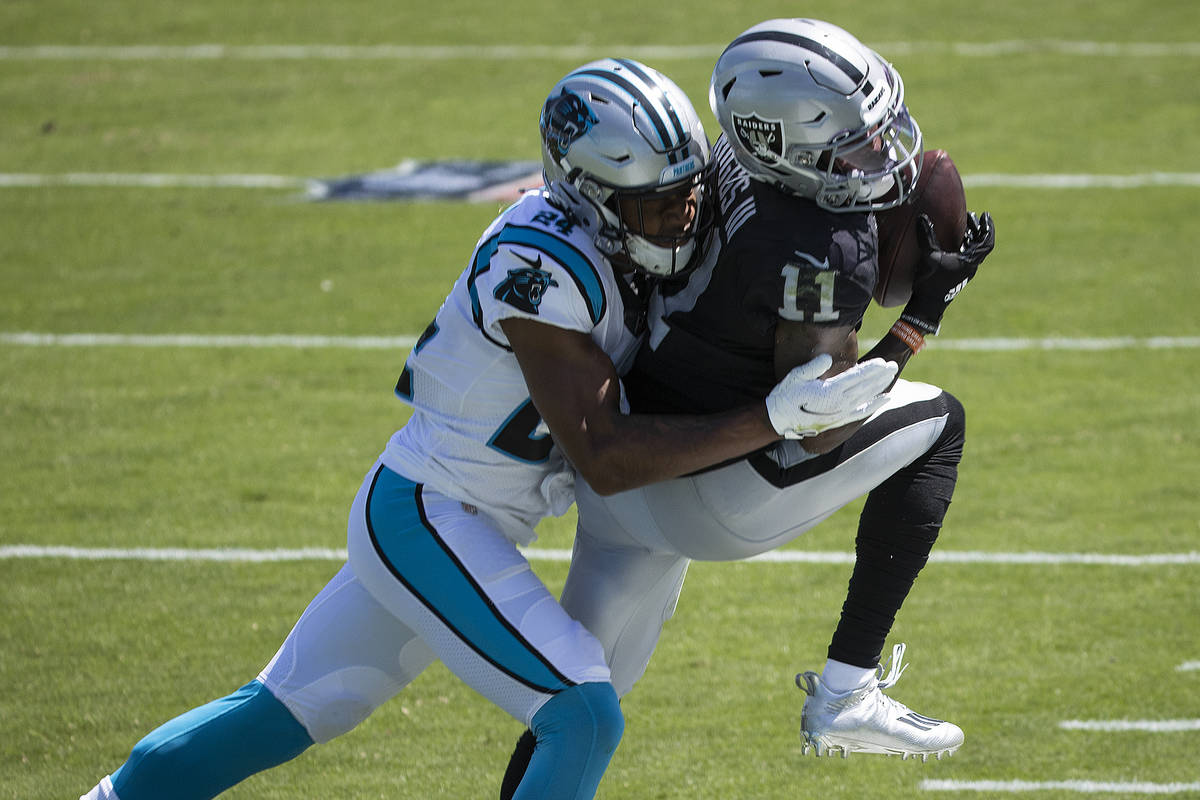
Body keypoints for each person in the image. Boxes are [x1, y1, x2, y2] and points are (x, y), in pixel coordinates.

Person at [80, 57, 899, 800]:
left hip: (476, 518)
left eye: (689, 194)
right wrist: (770, 417)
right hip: (430, 511)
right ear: (592, 198)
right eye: (655, 207)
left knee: (284, 712)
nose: (682, 221)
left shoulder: (632, 239)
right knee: (581, 712)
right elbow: (607, 456)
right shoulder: (537, 264)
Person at [500, 18, 997, 791]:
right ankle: (847, 690)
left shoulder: (718, 159)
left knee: (571, 713)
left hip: (628, 467)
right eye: (856, 144)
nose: (884, 155)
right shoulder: (826, 247)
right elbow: (821, 428)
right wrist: (919, 319)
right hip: (715, 494)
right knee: (942, 425)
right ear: (786, 143)